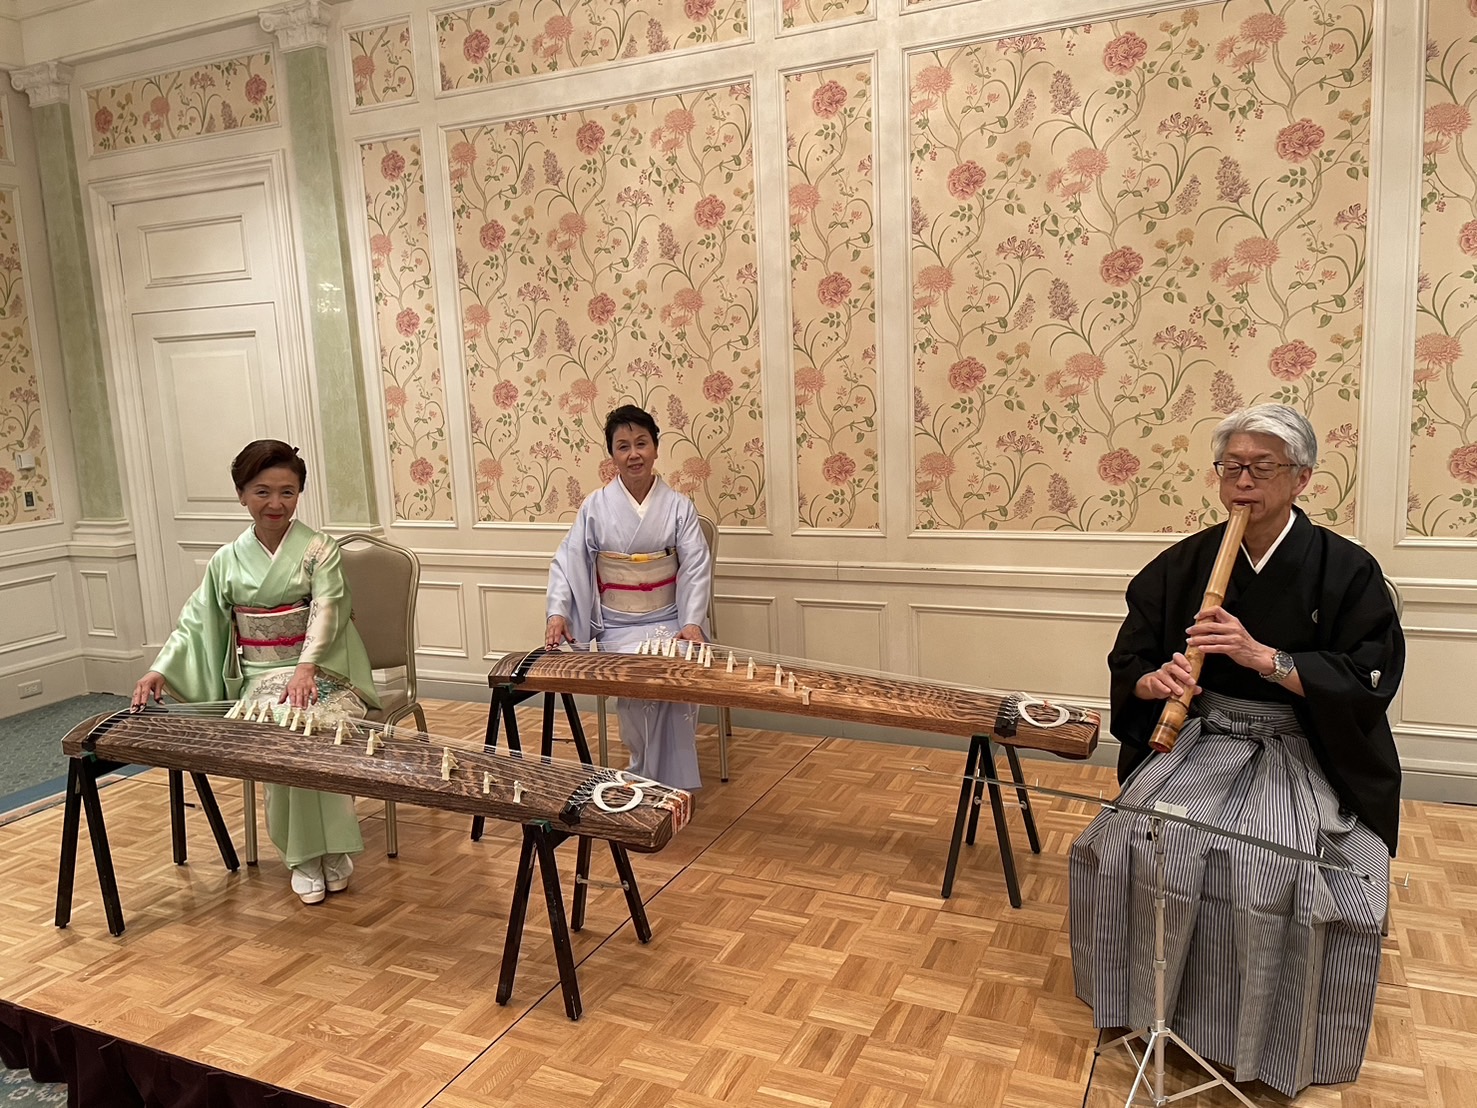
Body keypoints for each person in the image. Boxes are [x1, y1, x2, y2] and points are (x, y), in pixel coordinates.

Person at [1069, 404, 1403, 1097]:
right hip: (1204, 733)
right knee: (1131, 839)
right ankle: (1149, 1004)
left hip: (1299, 744)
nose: (1242, 482)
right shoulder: (1185, 563)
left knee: (1266, 866)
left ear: (1301, 479)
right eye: (1232, 467)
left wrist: (1267, 659)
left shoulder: (1345, 569)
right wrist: (1153, 681)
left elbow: (1368, 678)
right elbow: (1130, 658)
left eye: (1261, 468)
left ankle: (1264, 1036)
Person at [131, 440, 381, 906]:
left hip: (325, 670)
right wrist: (160, 668)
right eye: (263, 492)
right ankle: (304, 855)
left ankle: (333, 848)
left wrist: (306, 668)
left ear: (300, 493)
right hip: (260, 676)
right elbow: (196, 621)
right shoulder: (226, 560)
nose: (276, 503)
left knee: (316, 724)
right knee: (280, 728)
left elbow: (328, 608)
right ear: (241, 494)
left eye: (288, 492)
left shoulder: (319, 549)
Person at [545, 405, 711, 790]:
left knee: (676, 672)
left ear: (656, 448)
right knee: (637, 677)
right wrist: (558, 613)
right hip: (617, 626)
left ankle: (665, 782)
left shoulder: (679, 507)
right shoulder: (595, 507)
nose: (633, 454)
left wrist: (691, 622)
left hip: (670, 621)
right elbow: (568, 560)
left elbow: (695, 565)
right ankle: (646, 772)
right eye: (623, 446)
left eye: (641, 443)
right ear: (612, 455)